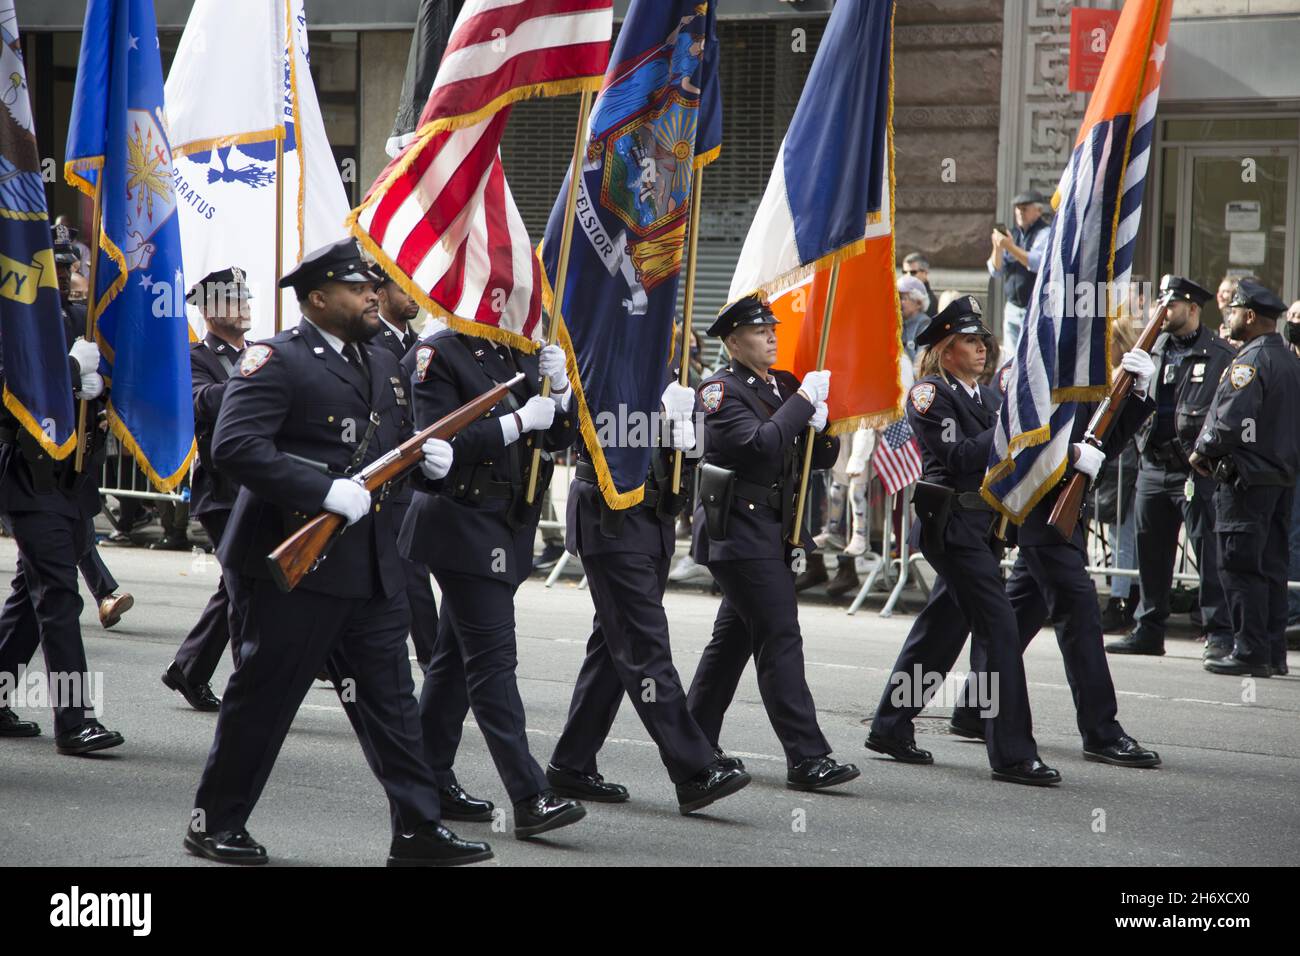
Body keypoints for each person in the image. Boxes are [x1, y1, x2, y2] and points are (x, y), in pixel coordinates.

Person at [187, 239, 489, 867]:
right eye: (357, 289)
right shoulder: (276, 359)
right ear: (318, 299)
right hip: (292, 567)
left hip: (371, 566)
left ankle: (417, 828)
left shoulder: (383, 358)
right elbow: (237, 447)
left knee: (392, 705)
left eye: (372, 287)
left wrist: (431, 465)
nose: (373, 296)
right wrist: (321, 489)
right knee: (264, 698)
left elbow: (394, 450)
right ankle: (213, 822)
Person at [948, 315, 1163, 769]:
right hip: (1039, 513)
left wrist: (1139, 394)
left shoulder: (1079, 375)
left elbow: (1103, 447)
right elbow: (1020, 436)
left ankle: (973, 707)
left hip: (1062, 518)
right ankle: (1101, 731)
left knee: (1020, 613)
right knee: (1080, 612)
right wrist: (1069, 455)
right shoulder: (1036, 368)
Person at [399, 324, 586, 839]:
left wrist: (562, 389)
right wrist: (517, 421)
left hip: (504, 525)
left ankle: (429, 777)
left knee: (454, 663)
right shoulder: (437, 353)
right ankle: (530, 795)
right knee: (493, 663)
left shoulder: (519, 354)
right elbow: (433, 440)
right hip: (460, 522)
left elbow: (560, 436)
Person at [866, 297, 1056, 785]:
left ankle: (890, 726)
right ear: (946, 349)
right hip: (951, 526)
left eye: (983, 340)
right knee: (1000, 630)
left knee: (942, 631)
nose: (981, 349)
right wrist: (1008, 428)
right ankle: (1012, 754)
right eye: (970, 341)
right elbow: (957, 456)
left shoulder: (989, 398)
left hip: (984, 529)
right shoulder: (930, 395)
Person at [546, 374, 752, 814]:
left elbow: (696, 454)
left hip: (654, 520)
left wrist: (687, 431)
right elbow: (600, 429)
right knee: (645, 645)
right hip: (612, 517)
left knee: (612, 645)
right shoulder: (605, 363)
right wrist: (661, 422)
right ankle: (693, 767)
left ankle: (572, 762)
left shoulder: (671, 376)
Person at [685, 295, 860, 792]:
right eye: (759, 331)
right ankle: (806, 758)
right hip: (739, 531)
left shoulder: (782, 384)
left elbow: (815, 458)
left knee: (732, 642)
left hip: (773, 530)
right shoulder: (719, 392)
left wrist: (822, 427)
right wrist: (803, 404)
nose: (771, 336)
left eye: (772, 329)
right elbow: (758, 446)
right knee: (780, 635)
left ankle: (694, 743)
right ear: (733, 341)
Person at [0, 228, 122, 752]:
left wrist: (97, 383)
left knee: (33, 597)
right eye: (64, 271)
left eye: (74, 269)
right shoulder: (10, 322)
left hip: (72, 480)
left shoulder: (74, 320)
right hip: (28, 478)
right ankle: (74, 721)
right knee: (59, 598)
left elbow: (100, 375)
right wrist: (73, 372)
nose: (75, 279)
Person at [1107, 275, 1235, 658]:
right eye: (1160, 303)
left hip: (1195, 469)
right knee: (1151, 550)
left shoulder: (1219, 352)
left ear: (1193, 308)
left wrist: (1208, 453)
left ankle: (1219, 632)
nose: (1162, 312)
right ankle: (1148, 628)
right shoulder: (1153, 347)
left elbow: (1225, 410)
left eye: (1171, 305)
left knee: (1207, 552)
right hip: (1153, 463)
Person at [1191, 278, 1300, 678]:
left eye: (1234, 310)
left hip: (1247, 479)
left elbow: (1231, 420)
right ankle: (1272, 653)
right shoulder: (1290, 360)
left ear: (1250, 316)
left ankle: (1249, 650)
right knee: (1271, 565)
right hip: (1279, 480)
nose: (1230, 317)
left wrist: (1202, 450)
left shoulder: (1250, 361)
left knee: (1239, 564)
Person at [162, 267, 254, 712]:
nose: (244, 304)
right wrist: (250, 379)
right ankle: (250, 689)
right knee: (245, 590)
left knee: (237, 583)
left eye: (245, 295)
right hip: (223, 492)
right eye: (233, 298)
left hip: (262, 489)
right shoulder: (196, 358)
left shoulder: (260, 353)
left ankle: (190, 668)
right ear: (210, 309)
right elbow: (199, 403)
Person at [367, 270, 437, 670]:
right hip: (387, 469)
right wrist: (426, 348)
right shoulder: (375, 339)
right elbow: (390, 385)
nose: (415, 295)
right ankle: (434, 658)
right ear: (380, 293)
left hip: (416, 468)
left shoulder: (414, 340)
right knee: (410, 573)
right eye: (403, 288)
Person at [988, 190, 1051, 351]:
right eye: (1018, 208)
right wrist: (998, 248)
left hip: (1034, 308)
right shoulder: (1013, 235)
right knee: (1010, 359)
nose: (1020, 212)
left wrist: (1009, 246)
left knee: (1030, 357)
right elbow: (996, 271)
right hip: (1012, 308)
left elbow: (1035, 262)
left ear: (1038, 210)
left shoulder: (1045, 233)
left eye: (1025, 208)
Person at [897, 274, 931, 361]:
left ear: (918, 303)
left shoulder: (924, 325)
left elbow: (921, 363)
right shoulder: (894, 323)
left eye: (901, 298)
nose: (896, 302)